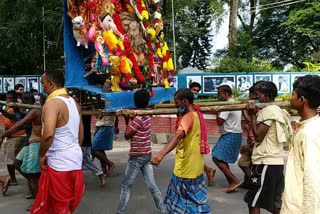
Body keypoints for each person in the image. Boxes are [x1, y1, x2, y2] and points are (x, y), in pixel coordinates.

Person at [31, 70, 85, 214]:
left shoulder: (52, 103)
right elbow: (81, 135)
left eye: (43, 83)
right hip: (74, 158)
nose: (42, 87)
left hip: (59, 162)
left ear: (51, 84)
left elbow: (48, 134)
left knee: (60, 207)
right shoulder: (73, 102)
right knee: (66, 205)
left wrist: (41, 154)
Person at [151, 88, 211, 214]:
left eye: (177, 102)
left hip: (185, 168)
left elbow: (178, 137)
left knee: (185, 204)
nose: (176, 105)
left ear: (185, 101)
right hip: (197, 166)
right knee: (194, 200)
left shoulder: (187, 118)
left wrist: (161, 154)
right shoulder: (197, 114)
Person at [244, 81, 293, 214]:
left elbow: (259, 136)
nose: (253, 98)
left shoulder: (269, 111)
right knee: (275, 203)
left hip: (265, 164)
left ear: (266, 96)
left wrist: (253, 115)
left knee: (252, 200)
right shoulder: (276, 110)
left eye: (256, 95)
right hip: (275, 164)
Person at [117, 89, 166, 214]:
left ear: (135, 101)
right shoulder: (147, 114)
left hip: (137, 156)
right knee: (152, 185)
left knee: (126, 185)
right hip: (146, 154)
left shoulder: (138, 118)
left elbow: (127, 135)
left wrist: (127, 119)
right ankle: (163, 210)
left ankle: (120, 212)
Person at [281, 75, 320, 214]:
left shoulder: (309, 133)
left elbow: (313, 179)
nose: (290, 98)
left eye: (293, 94)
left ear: (302, 100)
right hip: (296, 200)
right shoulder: (307, 127)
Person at [0, 92, 44, 211]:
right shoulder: (28, 111)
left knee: (33, 174)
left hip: (34, 144)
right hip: (29, 142)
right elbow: (15, 117)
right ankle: (35, 190)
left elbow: (20, 123)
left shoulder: (34, 111)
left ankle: (38, 200)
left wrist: (4, 135)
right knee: (19, 164)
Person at [211, 85, 243, 193]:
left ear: (225, 94)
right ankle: (232, 183)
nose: (218, 96)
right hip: (233, 134)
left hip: (231, 134)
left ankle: (234, 181)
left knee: (216, 157)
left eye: (219, 93)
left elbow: (220, 121)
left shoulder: (228, 104)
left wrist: (217, 110)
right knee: (222, 158)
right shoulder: (234, 101)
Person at [189, 82, 216, 185]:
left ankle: (204, 172)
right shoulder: (186, 100)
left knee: (193, 154)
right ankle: (207, 170)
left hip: (194, 130)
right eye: (194, 90)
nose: (195, 92)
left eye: (197, 91)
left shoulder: (196, 103)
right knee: (190, 154)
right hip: (188, 128)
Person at [0, 90, 26, 185]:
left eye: (10, 98)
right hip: (12, 137)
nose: (8, 100)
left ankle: (28, 179)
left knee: (13, 161)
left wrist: (1, 110)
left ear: (15, 99)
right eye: (7, 98)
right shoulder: (9, 107)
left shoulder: (17, 107)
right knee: (13, 161)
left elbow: (12, 117)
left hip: (17, 137)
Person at [238, 85, 257, 189]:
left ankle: (254, 183)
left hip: (256, 139)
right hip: (252, 137)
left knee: (247, 162)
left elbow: (250, 121)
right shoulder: (252, 104)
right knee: (247, 162)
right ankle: (249, 182)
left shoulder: (256, 106)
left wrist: (244, 110)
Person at [82, 114, 106, 186]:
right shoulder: (84, 112)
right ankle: (100, 174)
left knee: (83, 160)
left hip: (82, 140)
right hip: (85, 139)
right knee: (86, 159)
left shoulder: (80, 112)